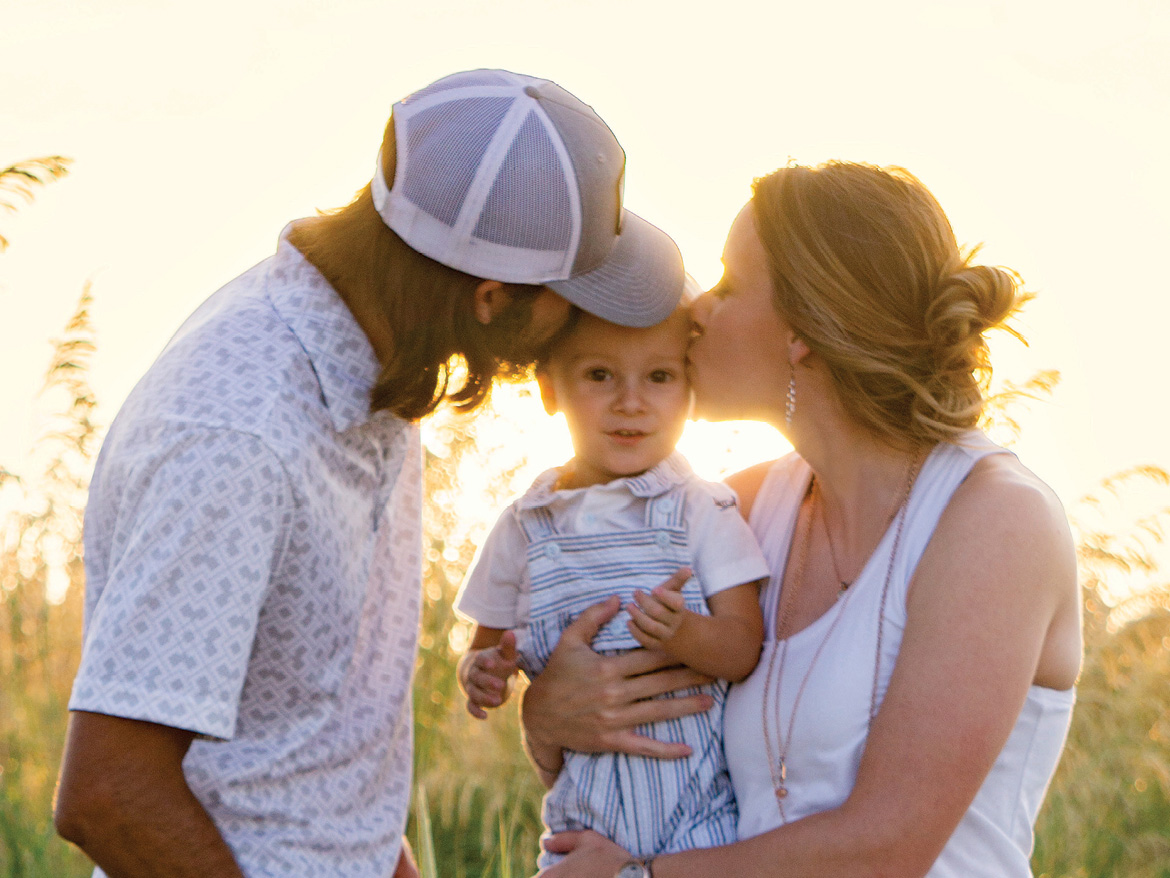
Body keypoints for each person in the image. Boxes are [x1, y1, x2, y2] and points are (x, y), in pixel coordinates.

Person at [52, 68, 685, 878]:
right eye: (570, 297)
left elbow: (306, 738)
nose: (578, 329)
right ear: (489, 297)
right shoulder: (240, 435)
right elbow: (110, 793)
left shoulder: (379, 350)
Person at [521, 161, 1082, 878]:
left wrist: (641, 877)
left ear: (803, 329)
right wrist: (547, 719)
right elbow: (636, 744)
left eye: (727, 286)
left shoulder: (994, 519)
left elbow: (888, 845)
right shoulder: (737, 510)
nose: (696, 312)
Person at [454, 301, 769, 868]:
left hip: (702, 821)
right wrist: (481, 674)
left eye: (659, 377)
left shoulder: (702, 508)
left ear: (689, 390)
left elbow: (744, 645)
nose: (631, 402)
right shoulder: (526, 525)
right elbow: (484, 646)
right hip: (582, 832)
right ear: (550, 388)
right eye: (600, 375)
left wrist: (686, 633)